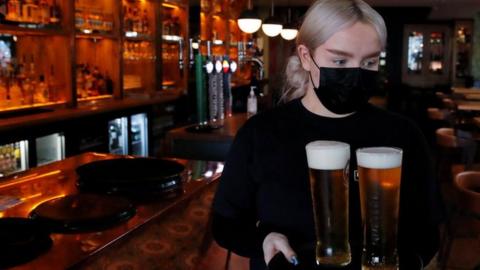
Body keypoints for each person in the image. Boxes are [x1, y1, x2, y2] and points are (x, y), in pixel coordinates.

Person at [211, 0, 442, 269]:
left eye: (369, 61)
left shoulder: (403, 134)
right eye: (340, 59)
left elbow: (427, 231)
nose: (356, 74)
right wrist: (263, 240)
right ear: (306, 57)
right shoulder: (260, 134)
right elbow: (225, 223)